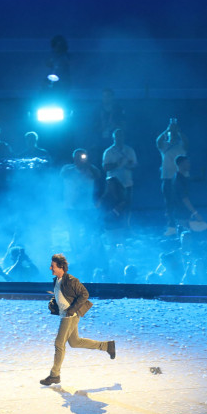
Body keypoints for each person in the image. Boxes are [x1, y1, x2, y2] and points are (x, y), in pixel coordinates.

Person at [40, 253, 115, 386]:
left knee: (59, 344)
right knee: (75, 342)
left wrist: (72, 309)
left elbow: (84, 294)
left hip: (70, 316)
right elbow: (62, 295)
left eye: (53, 266)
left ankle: (54, 375)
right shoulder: (57, 280)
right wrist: (54, 302)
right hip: (65, 314)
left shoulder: (71, 280)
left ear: (61, 266)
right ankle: (106, 346)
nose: (50, 268)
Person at [156, 117, 187, 236]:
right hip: (167, 177)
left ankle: (182, 225)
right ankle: (171, 226)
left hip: (179, 178)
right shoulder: (164, 145)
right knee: (169, 203)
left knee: (181, 201)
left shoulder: (181, 145)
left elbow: (187, 143)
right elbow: (158, 142)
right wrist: (167, 130)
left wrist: (178, 131)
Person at [102, 129, 137, 225]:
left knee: (127, 205)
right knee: (114, 205)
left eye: (121, 136)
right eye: (117, 136)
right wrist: (117, 164)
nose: (119, 138)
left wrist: (129, 165)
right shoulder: (109, 152)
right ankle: (114, 224)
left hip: (127, 183)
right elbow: (105, 167)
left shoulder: (129, 150)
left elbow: (134, 165)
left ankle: (126, 225)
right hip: (114, 185)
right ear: (114, 138)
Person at [172, 155, 207, 233]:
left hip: (183, 213)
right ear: (181, 164)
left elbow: (192, 180)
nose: (189, 164)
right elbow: (184, 198)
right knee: (184, 235)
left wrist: (202, 176)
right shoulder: (179, 180)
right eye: (187, 162)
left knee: (186, 234)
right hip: (181, 213)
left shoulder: (181, 178)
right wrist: (195, 213)